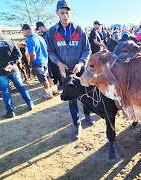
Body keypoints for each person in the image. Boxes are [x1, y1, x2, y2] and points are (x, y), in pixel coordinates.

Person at [46, 0, 94, 140]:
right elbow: (50, 51)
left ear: (70, 13)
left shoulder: (79, 29)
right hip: (65, 72)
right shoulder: (52, 32)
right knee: (72, 98)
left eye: (67, 12)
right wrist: (59, 63)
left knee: (85, 94)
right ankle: (76, 123)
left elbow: (87, 49)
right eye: (62, 13)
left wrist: (81, 62)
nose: (65, 15)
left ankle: (87, 115)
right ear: (57, 13)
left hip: (81, 69)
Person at [0, 23, 34, 118]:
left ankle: (10, 112)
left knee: (5, 91)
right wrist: (11, 64)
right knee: (21, 87)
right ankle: (30, 104)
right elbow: (19, 55)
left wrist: (3, 66)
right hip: (13, 69)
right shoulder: (9, 40)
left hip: (0, 72)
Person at [22, 24, 57, 99]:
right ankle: (54, 90)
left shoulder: (30, 40)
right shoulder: (40, 37)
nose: (23, 33)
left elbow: (33, 54)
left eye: (23, 31)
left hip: (38, 62)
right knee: (48, 77)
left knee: (44, 79)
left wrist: (31, 63)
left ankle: (49, 94)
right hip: (45, 60)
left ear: (26, 31)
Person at [36, 21, 63, 87]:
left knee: (57, 69)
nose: (39, 30)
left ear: (41, 27)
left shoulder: (50, 33)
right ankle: (56, 83)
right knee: (54, 70)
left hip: (55, 54)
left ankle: (62, 84)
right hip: (50, 55)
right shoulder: (44, 34)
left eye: (39, 29)